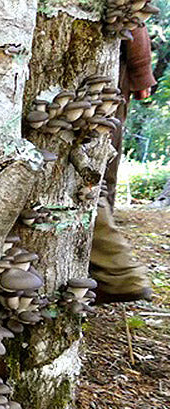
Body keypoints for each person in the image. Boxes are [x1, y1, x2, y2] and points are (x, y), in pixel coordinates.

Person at [89, 24, 156, 303]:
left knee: (89, 176)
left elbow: (134, 15)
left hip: (103, 77)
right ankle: (103, 271)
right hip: (108, 76)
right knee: (99, 174)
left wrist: (141, 72)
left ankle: (119, 273)